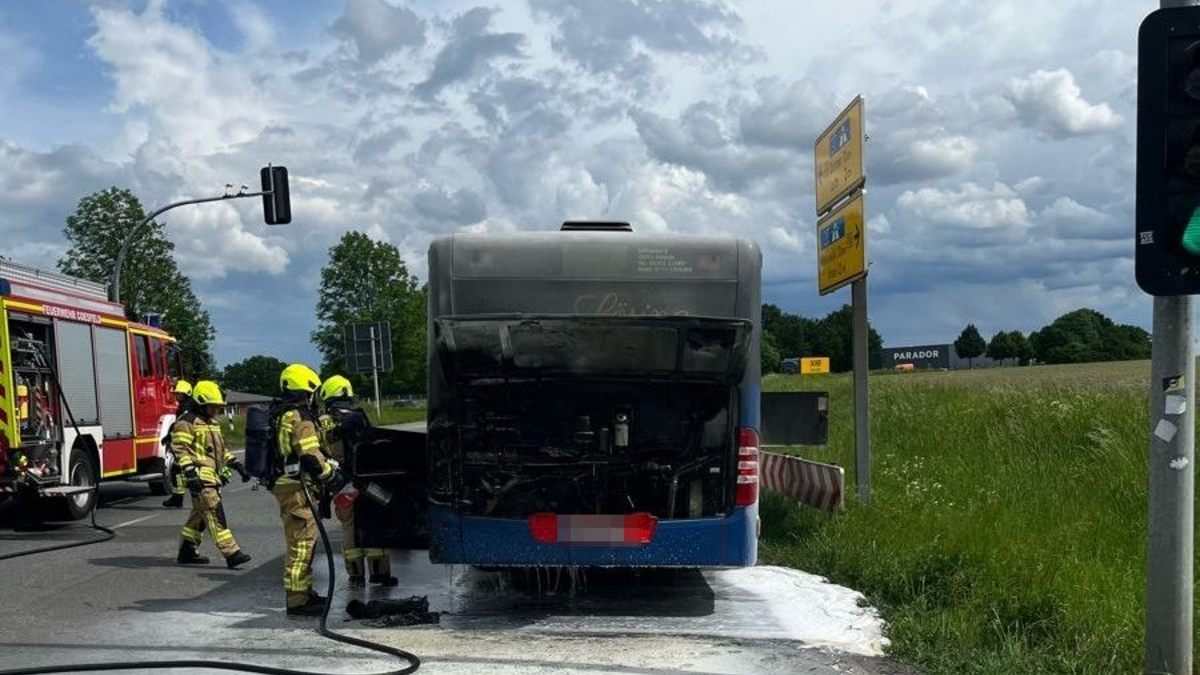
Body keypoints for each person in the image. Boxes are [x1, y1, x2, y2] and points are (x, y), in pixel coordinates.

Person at [270, 364, 346, 617]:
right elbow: (310, 456)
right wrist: (331, 475)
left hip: (287, 485)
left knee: (301, 540)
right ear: (307, 390)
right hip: (297, 489)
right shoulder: (300, 417)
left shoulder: (282, 414)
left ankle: (304, 593)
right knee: (302, 543)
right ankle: (298, 600)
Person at [318, 375, 397, 588]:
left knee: (348, 527)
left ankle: (356, 575)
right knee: (374, 522)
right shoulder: (359, 416)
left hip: (341, 482)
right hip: (367, 479)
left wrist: (323, 493)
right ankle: (380, 574)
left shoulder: (323, 421)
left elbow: (319, 455)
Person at [173, 381, 252, 569]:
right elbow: (180, 450)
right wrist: (191, 474)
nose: (216, 409)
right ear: (201, 403)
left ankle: (187, 550)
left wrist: (238, 465)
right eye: (213, 406)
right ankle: (232, 553)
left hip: (212, 477)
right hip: (199, 478)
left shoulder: (213, 424)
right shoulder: (186, 422)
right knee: (214, 514)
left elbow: (222, 451)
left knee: (199, 517)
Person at [162, 380, 193, 508]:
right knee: (177, 470)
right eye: (177, 394)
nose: (177, 396)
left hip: (185, 442)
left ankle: (179, 497)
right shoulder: (186, 406)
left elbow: (179, 424)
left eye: (179, 394)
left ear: (186, 394)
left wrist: (169, 435)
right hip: (184, 440)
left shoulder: (187, 408)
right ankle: (177, 497)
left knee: (181, 469)